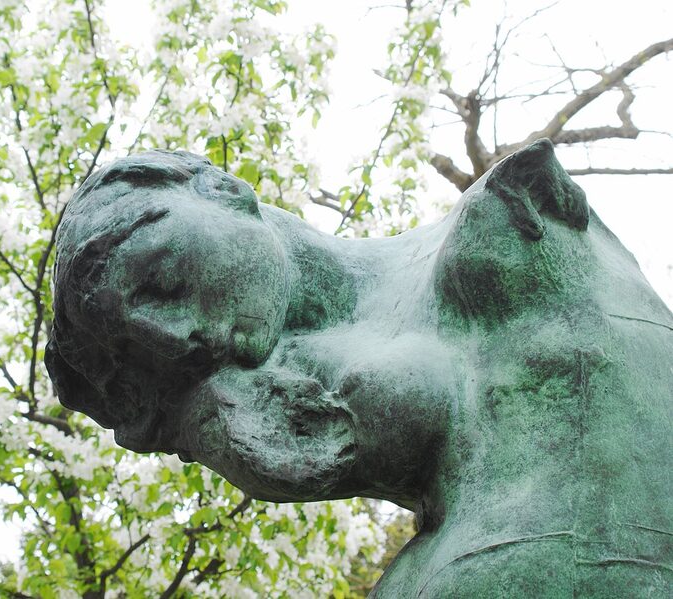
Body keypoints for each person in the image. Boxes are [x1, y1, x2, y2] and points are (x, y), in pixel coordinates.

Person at [46, 141, 672, 597]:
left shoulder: (508, 214)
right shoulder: (234, 397)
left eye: (156, 277)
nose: (177, 337)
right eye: (143, 347)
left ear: (220, 192)